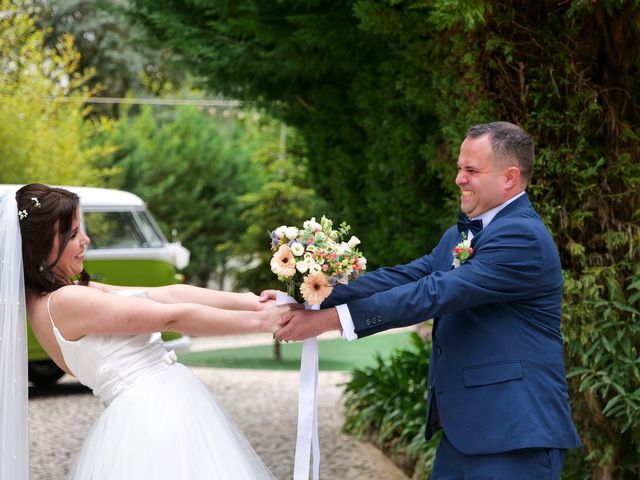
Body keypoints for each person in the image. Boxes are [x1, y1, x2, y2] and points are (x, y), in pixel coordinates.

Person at [269, 122, 582, 479]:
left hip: (514, 437)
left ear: (510, 177)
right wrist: (312, 293)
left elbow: (434, 293)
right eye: (459, 168)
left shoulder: (522, 236)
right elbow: (407, 277)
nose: (459, 179)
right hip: (463, 436)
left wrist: (329, 321)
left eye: (471, 170)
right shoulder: (460, 234)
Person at [0, 183, 290, 480]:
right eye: (73, 234)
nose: (86, 240)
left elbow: (166, 294)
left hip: (154, 405)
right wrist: (265, 323)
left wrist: (251, 302)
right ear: (40, 244)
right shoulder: (68, 300)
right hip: (153, 414)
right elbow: (172, 318)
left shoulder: (55, 296)